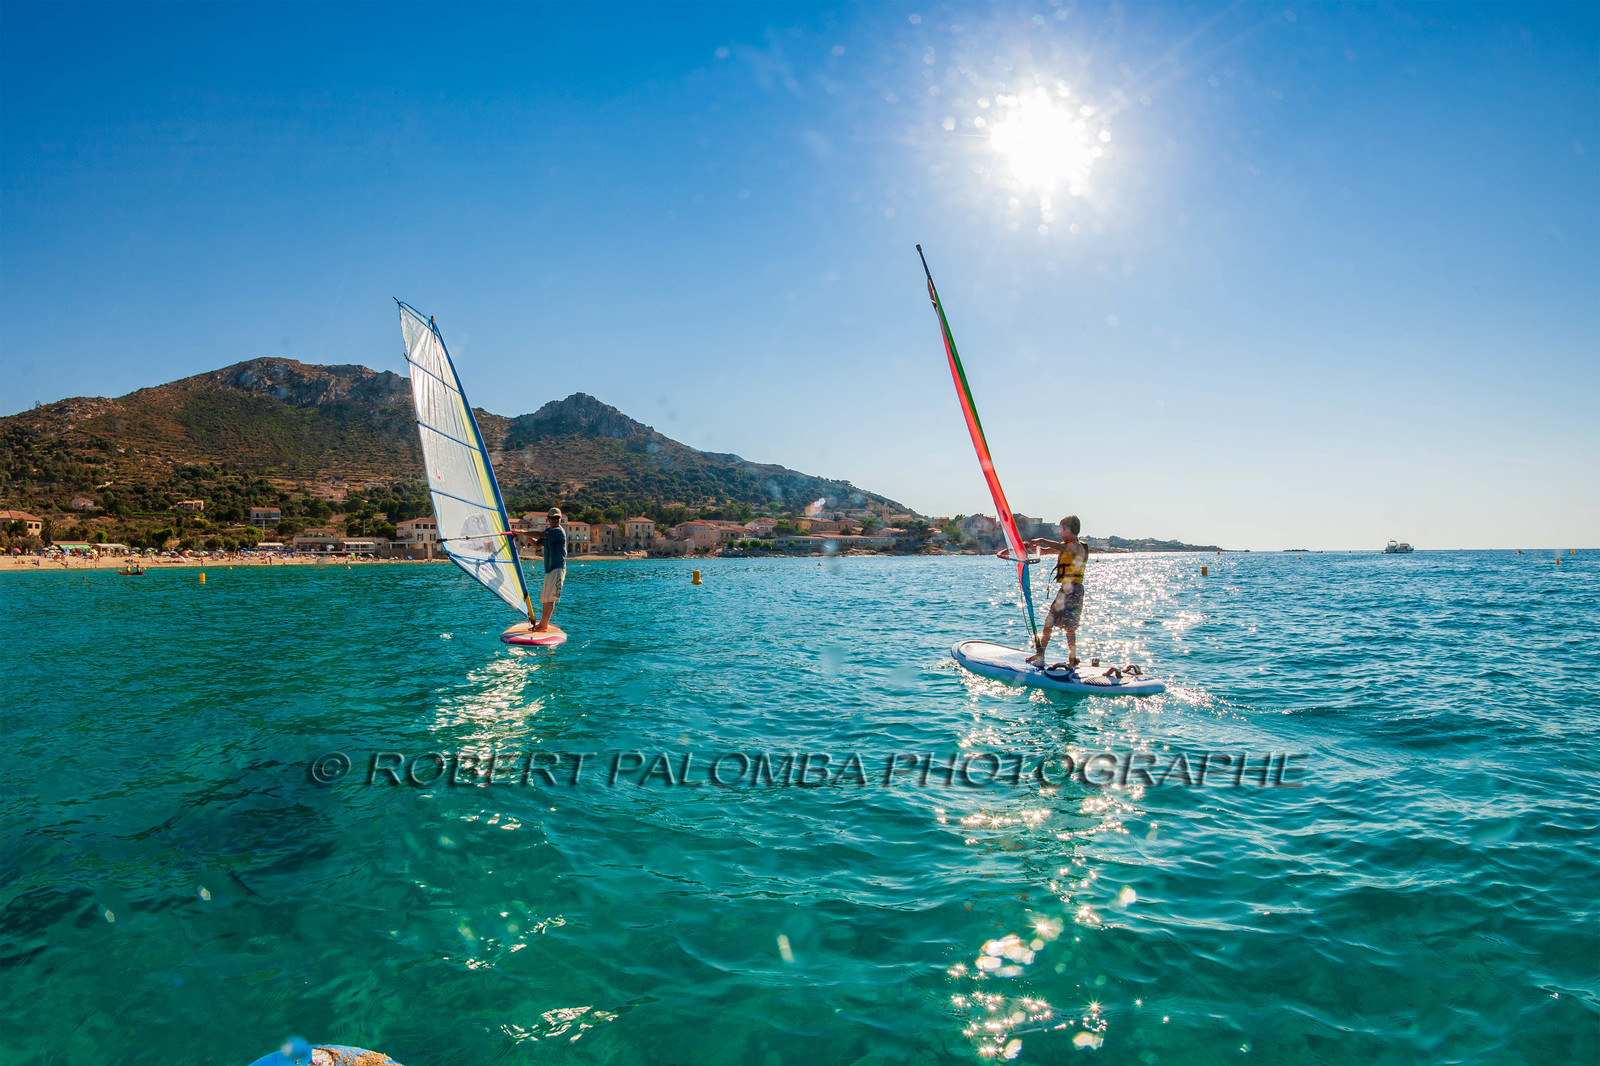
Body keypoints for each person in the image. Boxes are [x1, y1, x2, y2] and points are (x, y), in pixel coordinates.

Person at [1025, 515, 1087, 669]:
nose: (1060, 533)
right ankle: (1041, 653)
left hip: (1074, 590)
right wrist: (1031, 548)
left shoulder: (1078, 547)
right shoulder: (1064, 545)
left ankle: (1073, 658)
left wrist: (1042, 540)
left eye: (1061, 530)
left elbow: (1063, 548)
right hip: (1064, 590)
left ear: (1068, 530)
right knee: (1049, 622)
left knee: (1069, 627)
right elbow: (1045, 552)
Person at [531, 508, 567, 631]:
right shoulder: (548, 531)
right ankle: (541, 624)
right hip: (549, 569)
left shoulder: (558, 531)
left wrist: (523, 532)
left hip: (557, 568)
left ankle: (544, 625)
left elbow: (540, 535)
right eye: (553, 518)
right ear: (548, 519)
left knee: (550, 599)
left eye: (558, 518)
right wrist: (526, 537)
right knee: (545, 599)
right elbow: (537, 545)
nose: (556, 520)